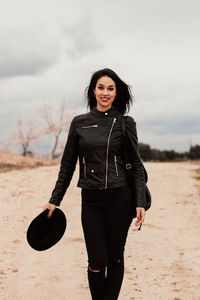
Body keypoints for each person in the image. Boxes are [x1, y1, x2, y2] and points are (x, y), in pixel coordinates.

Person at [42, 68, 146, 300]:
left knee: (115, 258)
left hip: (120, 198)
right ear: (93, 90)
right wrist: (54, 200)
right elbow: (67, 166)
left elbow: (137, 166)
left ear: (116, 93)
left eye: (110, 88)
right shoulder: (79, 123)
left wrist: (139, 201)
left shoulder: (125, 123)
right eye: (101, 87)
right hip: (91, 200)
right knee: (97, 261)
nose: (105, 93)